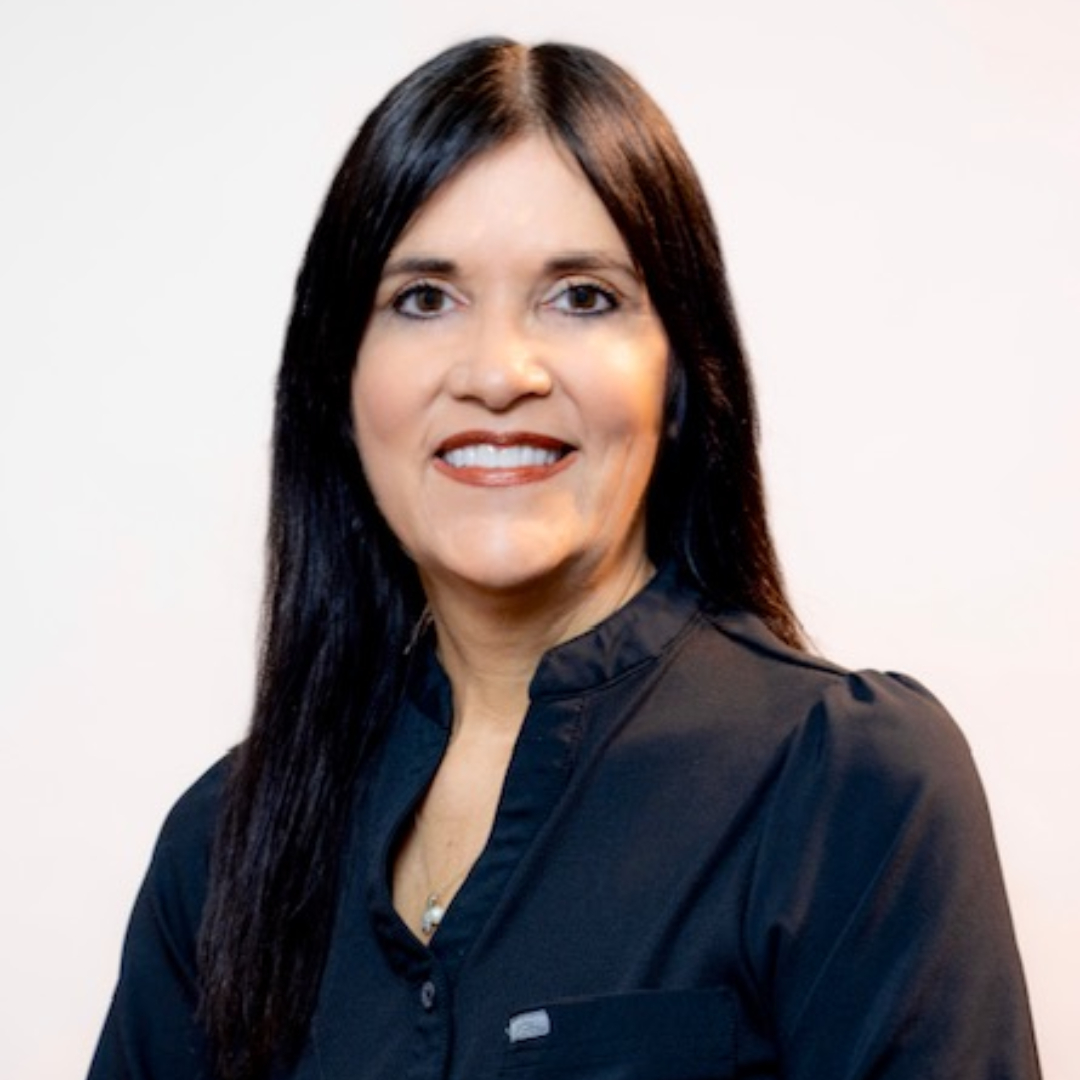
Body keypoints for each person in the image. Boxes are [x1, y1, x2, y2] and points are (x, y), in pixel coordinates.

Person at [88, 37, 1041, 1080]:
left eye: (581, 296)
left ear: (680, 378)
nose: (499, 373)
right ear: (341, 385)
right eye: (425, 298)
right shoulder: (221, 850)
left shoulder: (845, 788)